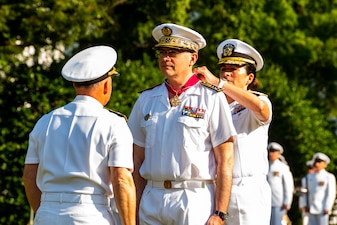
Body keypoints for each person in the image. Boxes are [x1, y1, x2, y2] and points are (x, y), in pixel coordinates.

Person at [128, 23, 237, 225]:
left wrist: (220, 212)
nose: (165, 58)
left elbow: (225, 160)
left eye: (173, 53)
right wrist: (133, 208)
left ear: (193, 58)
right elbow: (135, 160)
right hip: (152, 196)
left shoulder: (211, 97)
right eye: (162, 52)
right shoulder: (146, 99)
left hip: (193, 197)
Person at [22, 46, 136, 225]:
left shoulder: (45, 121)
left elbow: (29, 177)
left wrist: (45, 211)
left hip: (47, 213)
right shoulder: (114, 123)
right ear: (106, 85)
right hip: (90, 213)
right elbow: (121, 179)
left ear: (75, 84)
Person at [195, 38, 273, 225]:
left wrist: (218, 83)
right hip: (215, 188)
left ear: (249, 78)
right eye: (223, 69)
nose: (226, 74)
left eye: (233, 69)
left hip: (246, 190)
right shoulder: (211, 103)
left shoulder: (258, 100)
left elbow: (261, 109)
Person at [299, 152, 336, 225]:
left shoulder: (328, 177)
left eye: (319, 162)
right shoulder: (309, 177)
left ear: (325, 164)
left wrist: (327, 207)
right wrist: (305, 204)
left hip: (322, 208)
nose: (317, 164)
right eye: (316, 161)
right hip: (311, 208)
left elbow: (331, 193)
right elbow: (305, 192)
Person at [267, 142, 294, 225]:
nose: (271, 153)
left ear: (279, 153)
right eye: (270, 151)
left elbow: (288, 186)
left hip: (278, 202)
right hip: (266, 201)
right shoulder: (265, 165)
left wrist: (287, 202)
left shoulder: (283, 167)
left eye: (273, 151)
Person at [299, 160, 317, 225]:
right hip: (305, 205)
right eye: (309, 169)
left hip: (315, 205)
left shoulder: (318, 178)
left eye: (312, 169)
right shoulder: (305, 179)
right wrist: (302, 205)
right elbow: (302, 193)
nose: (310, 171)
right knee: (305, 222)